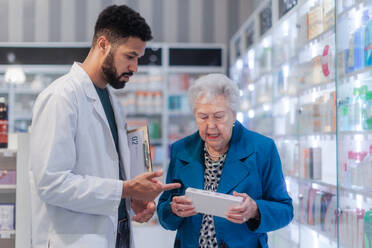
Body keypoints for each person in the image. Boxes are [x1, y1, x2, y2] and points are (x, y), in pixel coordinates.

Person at [29, 5, 180, 248]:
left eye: (138, 59)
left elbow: (106, 173)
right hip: (74, 239)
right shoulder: (61, 97)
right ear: (103, 45)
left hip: (116, 234)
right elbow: (51, 183)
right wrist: (125, 189)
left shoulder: (112, 101)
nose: (135, 68)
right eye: (130, 57)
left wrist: (131, 199)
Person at [157, 74, 293, 248]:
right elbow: (165, 216)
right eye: (203, 117)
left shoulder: (262, 149)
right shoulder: (181, 150)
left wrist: (255, 210)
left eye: (219, 116)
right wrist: (173, 210)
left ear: (234, 115)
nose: (211, 125)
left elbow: (285, 210)